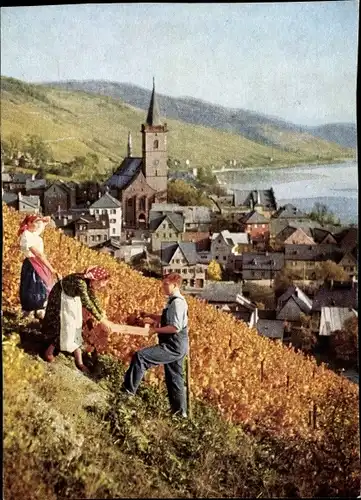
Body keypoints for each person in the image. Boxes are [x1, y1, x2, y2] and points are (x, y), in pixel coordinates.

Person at [123, 273, 189, 417]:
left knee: (141, 357)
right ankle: (180, 414)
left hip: (173, 346)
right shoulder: (174, 301)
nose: (163, 287)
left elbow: (174, 328)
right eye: (163, 284)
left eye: (166, 285)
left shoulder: (177, 302)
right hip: (178, 345)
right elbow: (167, 318)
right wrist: (151, 315)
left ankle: (127, 394)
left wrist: (154, 330)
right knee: (175, 378)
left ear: (175, 285)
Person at [42, 266, 117, 372]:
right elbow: (87, 302)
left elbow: (93, 299)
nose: (103, 285)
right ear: (96, 279)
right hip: (60, 296)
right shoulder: (81, 283)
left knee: (76, 326)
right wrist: (101, 319)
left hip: (71, 298)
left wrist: (102, 313)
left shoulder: (89, 283)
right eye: (103, 282)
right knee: (64, 325)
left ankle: (79, 361)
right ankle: (48, 352)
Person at [19, 214, 59, 320]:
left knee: (41, 287)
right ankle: (30, 313)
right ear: (29, 223)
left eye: (38, 222)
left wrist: (45, 221)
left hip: (38, 264)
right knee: (33, 287)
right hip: (33, 265)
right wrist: (51, 268)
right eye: (35, 222)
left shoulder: (33, 233)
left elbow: (40, 228)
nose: (38, 224)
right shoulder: (26, 235)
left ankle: (38, 311)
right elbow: (38, 254)